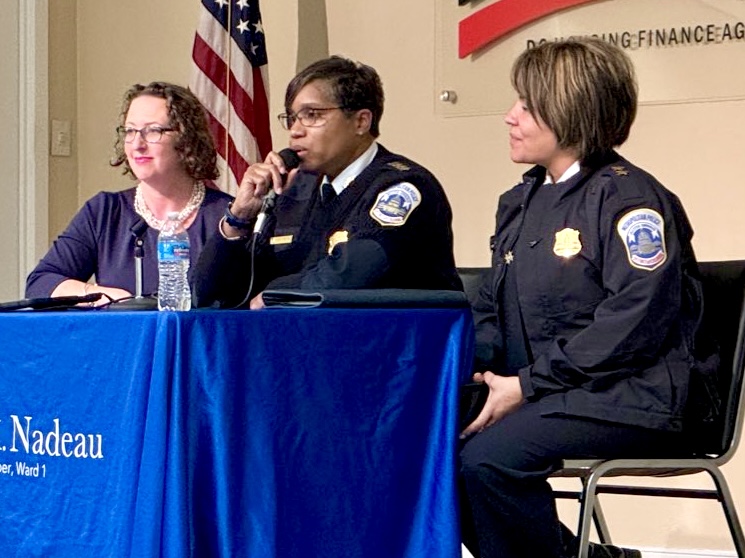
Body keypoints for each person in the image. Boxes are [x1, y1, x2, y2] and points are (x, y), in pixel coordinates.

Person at [458, 38, 711, 558]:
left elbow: (634, 321)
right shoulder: (520, 201)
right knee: (430, 451)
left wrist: (527, 384)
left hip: (633, 398)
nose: (509, 116)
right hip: (547, 393)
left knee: (487, 461)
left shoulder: (629, 198)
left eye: (526, 106)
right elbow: (490, 306)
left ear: (569, 111)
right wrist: (483, 377)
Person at [191, 56, 461, 309]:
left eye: (312, 115)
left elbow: (350, 276)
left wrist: (274, 292)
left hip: (389, 351)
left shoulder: (402, 186)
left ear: (361, 121)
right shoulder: (294, 190)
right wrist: (239, 218)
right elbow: (210, 293)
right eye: (292, 118)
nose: (295, 131)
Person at [25, 81, 232, 305]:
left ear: (187, 138)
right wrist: (105, 296)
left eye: (153, 130)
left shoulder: (226, 217)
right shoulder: (104, 211)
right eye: (130, 131)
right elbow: (41, 283)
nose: (137, 144)